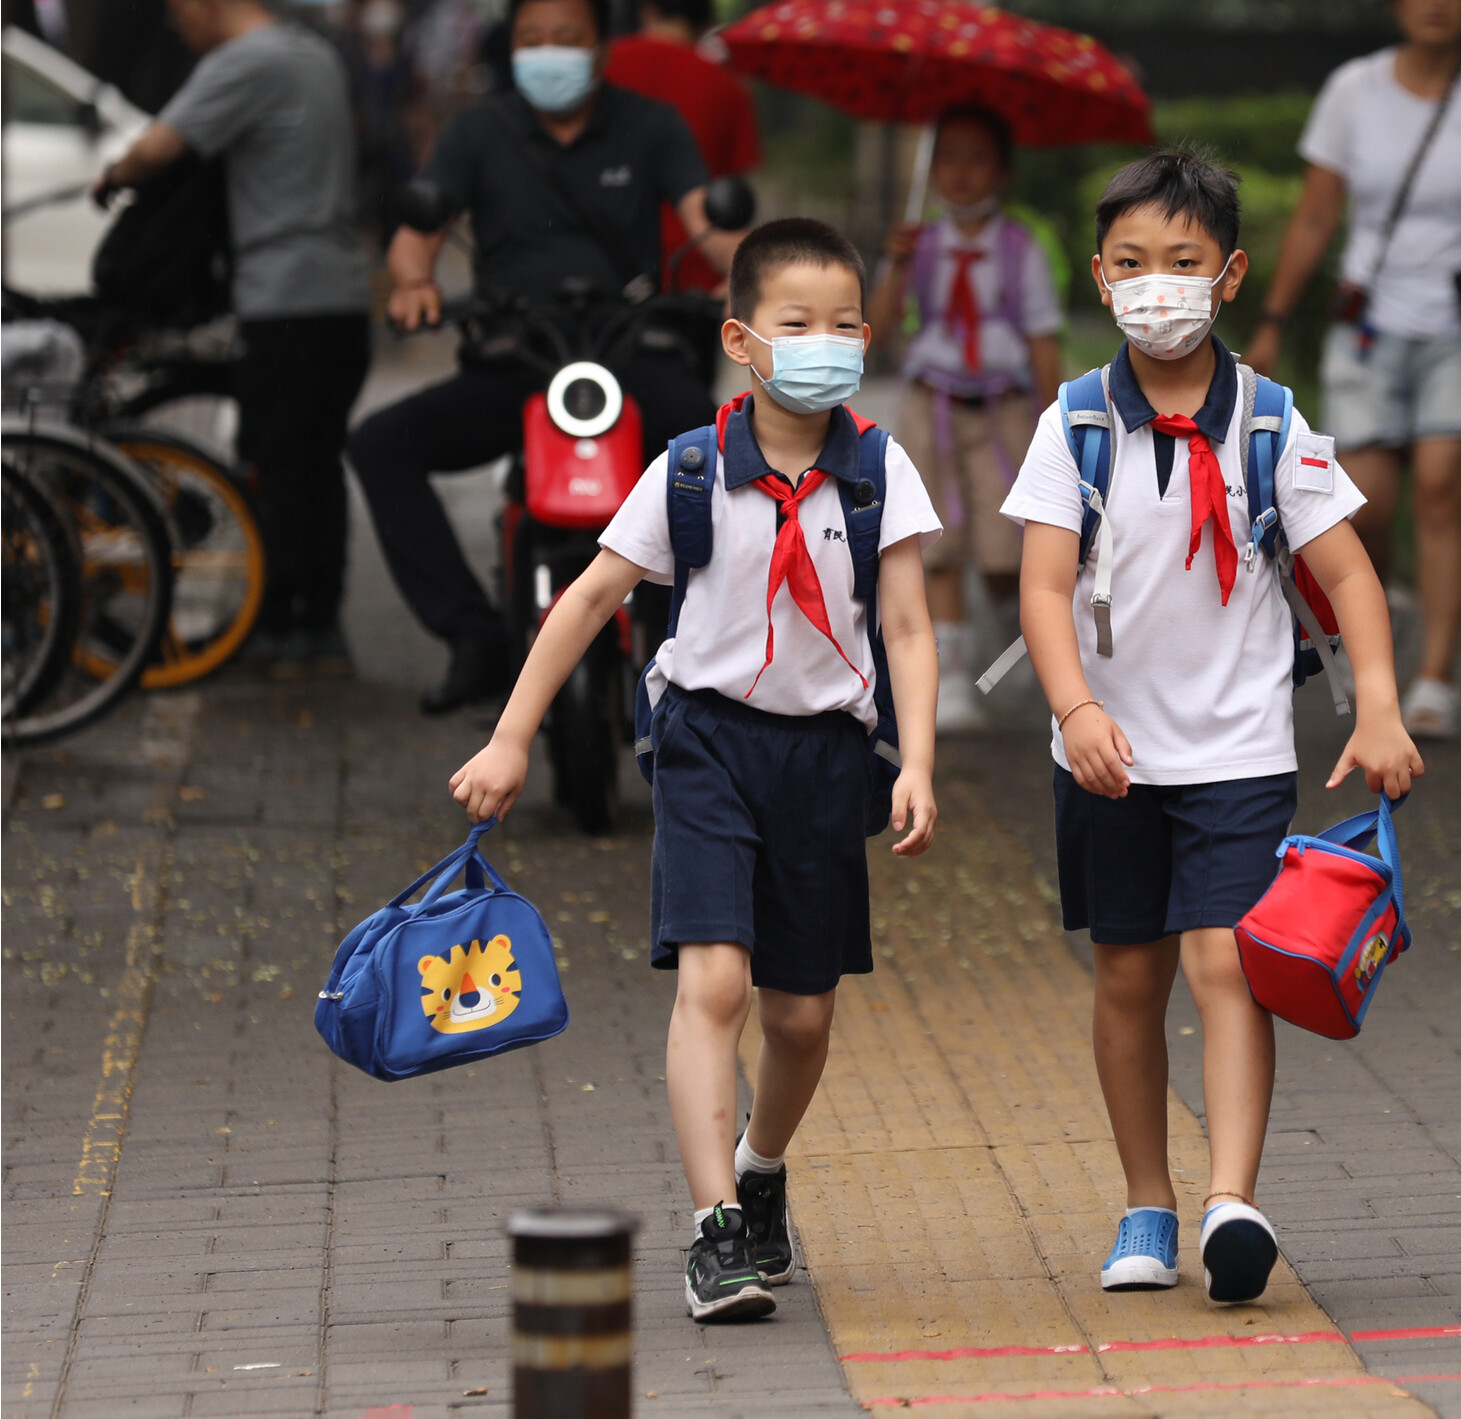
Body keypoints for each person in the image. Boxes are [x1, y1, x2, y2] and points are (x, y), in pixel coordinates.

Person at [448, 218, 941, 1322]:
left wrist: (918, 762)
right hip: (707, 743)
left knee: (802, 1020)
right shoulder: (686, 470)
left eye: (845, 324)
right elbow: (587, 599)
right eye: (796, 324)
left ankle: (762, 1169)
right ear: (741, 338)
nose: (825, 343)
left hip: (825, 755)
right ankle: (717, 1228)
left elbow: (905, 628)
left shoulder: (876, 470)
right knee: (714, 981)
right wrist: (511, 737)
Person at [1002, 149, 1422, 1306]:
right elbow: (1041, 590)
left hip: (1236, 751)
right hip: (1104, 760)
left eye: (1181, 262)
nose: (1157, 286)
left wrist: (1376, 704)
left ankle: (1233, 1197)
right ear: (1098, 278)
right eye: (1132, 264)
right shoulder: (1074, 423)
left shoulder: (1274, 426)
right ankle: (1147, 1201)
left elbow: (1349, 575)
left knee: (1225, 962)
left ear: (1229, 274)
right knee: (1127, 978)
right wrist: (1075, 708)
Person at [346, 0, 737, 714]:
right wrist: (412, 281)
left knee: (732, 460)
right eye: (532, 39)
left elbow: (708, 225)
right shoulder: (476, 130)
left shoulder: (652, 124)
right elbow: (419, 227)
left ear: (599, 48)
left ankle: (712, 645)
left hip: (630, 352)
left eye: (566, 38)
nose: (548, 51)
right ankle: (475, 637)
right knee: (379, 443)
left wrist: (755, 278)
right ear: (511, 46)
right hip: (515, 356)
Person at [1242, 0, 1461, 739]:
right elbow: (1317, 215)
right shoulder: (1353, 90)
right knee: (1366, 507)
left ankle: (1437, 680)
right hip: (1370, 326)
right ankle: (1384, 611)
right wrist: (1273, 323)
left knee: (1443, 491)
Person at [94, 0, 373, 678]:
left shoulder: (246, 61)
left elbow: (161, 147)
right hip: (341, 294)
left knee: (275, 464)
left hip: (282, 297)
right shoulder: (314, 53)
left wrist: (112, 177)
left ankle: (277, 625)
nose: (176, 24)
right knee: (315, 460)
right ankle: (319, 625)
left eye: (177, 11)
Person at [866, 105, 1063, 731]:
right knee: (938, 541)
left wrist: (1056, 419)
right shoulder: (916, 244)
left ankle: (1015, 635)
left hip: (1004, 407)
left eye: (978, 157)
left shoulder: (1019, 248)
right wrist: (896, 263)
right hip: (933, 404)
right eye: (948, 156)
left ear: (1003, 172)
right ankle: (948, 676)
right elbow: (879, 326)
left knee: (1007, 550)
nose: (960, 171)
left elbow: (1041, 337)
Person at [604, 0, 759, 295]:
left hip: (608, 262)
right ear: (705, 21)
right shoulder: (729, 87)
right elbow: (734, 186)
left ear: (648, 9)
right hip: (696, 270)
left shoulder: (605, 65)